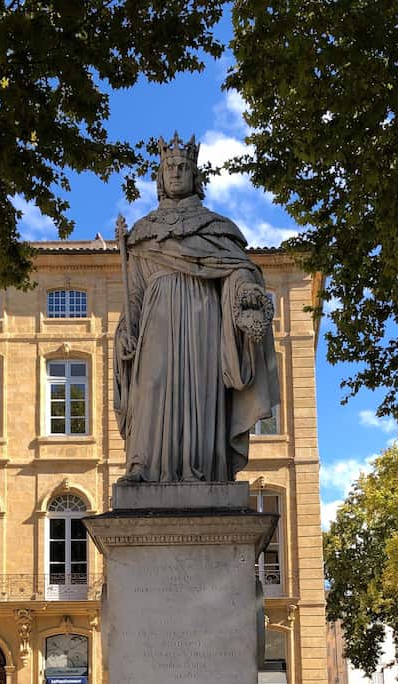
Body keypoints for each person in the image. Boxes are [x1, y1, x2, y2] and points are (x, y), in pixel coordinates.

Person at [114, 133, 279, 483]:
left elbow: (240, 270)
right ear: (160, 177)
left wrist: (246, 292)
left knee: (200, 396)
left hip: (203, 320)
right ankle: (142, 465)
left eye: (183, 167)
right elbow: (135, 296)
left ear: (194, 176)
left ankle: (201, 468)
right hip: (155, 325)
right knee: (150, 387)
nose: (175, 172)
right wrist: (124, 332)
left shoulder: (217, 229)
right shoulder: (143, 234)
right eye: (169, 167)